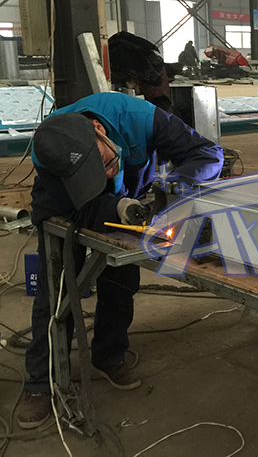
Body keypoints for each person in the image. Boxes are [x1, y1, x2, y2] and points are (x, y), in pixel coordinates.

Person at [18, 92, 224, 430]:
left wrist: (174, 191)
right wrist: (113, 207)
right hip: (68, 200)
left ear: (99, 129)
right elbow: (77, 209)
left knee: (120, 277)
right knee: (56, 290)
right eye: (93, 171)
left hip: (130, 193)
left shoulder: (141, 118)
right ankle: (41, 381)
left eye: (104, 161)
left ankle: (109, 355)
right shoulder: (49, 150)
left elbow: (207, 153)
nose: (104, 171)